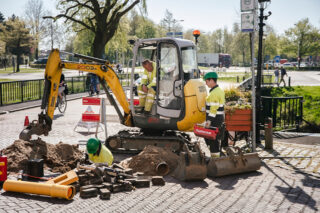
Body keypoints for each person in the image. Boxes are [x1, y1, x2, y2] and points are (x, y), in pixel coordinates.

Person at [204, 72, 225, 153]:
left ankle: (215, 158)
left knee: (212, 139)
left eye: (207, 81)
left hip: (214, 120)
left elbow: (213, 109)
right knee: (214, 139)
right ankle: (216, 155)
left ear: (212, 80)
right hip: (219, 119)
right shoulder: (219, 90)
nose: (206, 84)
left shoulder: (214, 93)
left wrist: (209, 121)